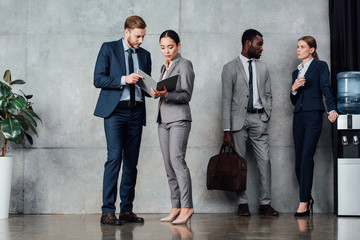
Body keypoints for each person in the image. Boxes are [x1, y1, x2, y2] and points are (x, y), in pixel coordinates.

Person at [93, 15, 152, 225]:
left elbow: (146, 87)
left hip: (136, 111)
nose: (141, 41)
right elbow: (98, 79)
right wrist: (123, 80)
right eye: (138, 36)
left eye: (143, 36)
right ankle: (107, 211)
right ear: (126, 31)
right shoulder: (108, 48)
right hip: (115, 112)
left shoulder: (145, 55)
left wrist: (155, 88)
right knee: (114, 159)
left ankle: (126, 210)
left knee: (131, 163)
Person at [222, 29, 279, 216]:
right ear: (248, 44)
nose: (262, 48)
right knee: (240, 163)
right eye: (259, 44)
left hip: (259, 118)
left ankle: (265, 204)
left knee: (265, 161)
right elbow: (226, 100)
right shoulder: (230, 67)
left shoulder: (263, 67)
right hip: (237, 120)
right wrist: (226, 129)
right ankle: (242, 204)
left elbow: (268, 94)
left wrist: (266, 115)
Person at [290, 36, 338, 216]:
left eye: (302, 46)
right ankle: (308, 198)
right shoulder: (296, 72)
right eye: (297, 46)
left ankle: (303, 202)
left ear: (311, 49)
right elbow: (294, 101)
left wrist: (332, 108)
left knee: (307, 157)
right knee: (298, 162)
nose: (298, 49)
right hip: (298, 117)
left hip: (314, 116)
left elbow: (326, 87)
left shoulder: (320, 66)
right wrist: (294, 88)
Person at [151, 30, 195, 224]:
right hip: (163, 120)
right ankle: (176, 206)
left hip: (179, 119)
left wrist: (167, 95)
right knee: (169, 166)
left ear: (178, 45)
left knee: (178, 161)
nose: (166, 51)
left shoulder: (185, 64)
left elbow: (186, 95)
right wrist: (156, 92)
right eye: (162, 47)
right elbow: (165, 92)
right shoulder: (164, 66)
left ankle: (187, 207)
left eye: (170, 46)